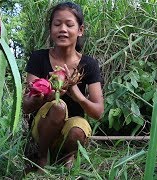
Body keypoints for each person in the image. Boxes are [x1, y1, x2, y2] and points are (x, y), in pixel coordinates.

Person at [23, 2, 104, 169]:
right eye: (57, 24)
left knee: (77, 130)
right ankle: (42, 156)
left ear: (80, 30)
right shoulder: (39, 58)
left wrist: (78, 95)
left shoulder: (89, 64)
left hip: (71, 129)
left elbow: (98, 112)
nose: (63, 29)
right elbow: (25, 106)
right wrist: (47, 95)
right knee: (58, 106)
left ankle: (67, 158)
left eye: (69, 24)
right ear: (51, 29)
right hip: (42, 129)